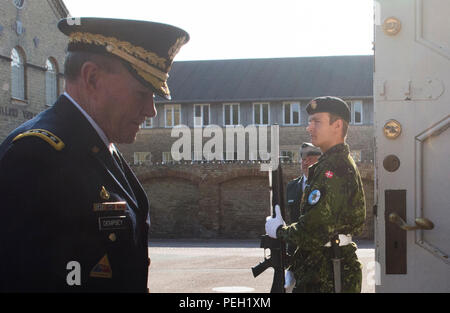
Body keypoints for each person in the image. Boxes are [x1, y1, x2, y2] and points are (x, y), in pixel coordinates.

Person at [0, 17, 189, 292]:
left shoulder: (98, 148)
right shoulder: (36, 156)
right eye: (141, 94)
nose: (151, 111)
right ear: (92, 78)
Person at [266, 96, 366, 293]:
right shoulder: (330, 164)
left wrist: (279, 231)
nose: (309, 128)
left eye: (316, 121)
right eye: (309, 122)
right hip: (322, 266)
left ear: (337, 125)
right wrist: (296, 266)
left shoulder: (334, 168)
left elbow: (313, 230)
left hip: (330, 273)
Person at [284, 142, 321, 292]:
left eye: (310, 157)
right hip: (294, 252)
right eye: (302, 157)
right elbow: (291, 219)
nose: (305, 161)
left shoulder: (325, 186)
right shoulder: (292, 186)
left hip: (317, 254)